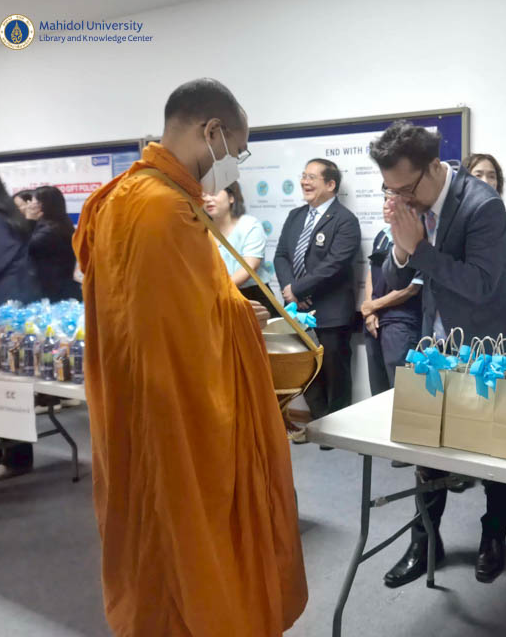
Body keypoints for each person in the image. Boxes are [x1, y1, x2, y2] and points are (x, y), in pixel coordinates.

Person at [71, 78, 307, 636]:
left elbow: (166, 311)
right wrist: (241, 318)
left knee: (155, 532)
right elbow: (177, 339)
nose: (234, 165)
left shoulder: (129, 195)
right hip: (170, 415)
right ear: (212, 131)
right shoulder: (159, 208)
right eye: (237, 150)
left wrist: (227, 308)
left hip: (140, 405)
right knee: (186, 542)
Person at [374, 121, 506, 587]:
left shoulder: (484, 205)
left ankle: (493, 536)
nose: (400, 198)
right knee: (428, 447)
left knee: (495, 454)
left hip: (491, 348)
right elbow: (395, 277)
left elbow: (481, 284)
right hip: (437, 346)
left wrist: (418, 248)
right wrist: (402, 248)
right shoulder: (409, 199)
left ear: (432, 168)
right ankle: (424, 542)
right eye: (390, 190)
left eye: (405, 189)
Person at [273, 158, 361, 428]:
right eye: (303, 176)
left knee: (335, 373)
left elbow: (334, 264)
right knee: (304, 370)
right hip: (298, 312)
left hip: (331, 312)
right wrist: (291, 291)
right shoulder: (295, 216)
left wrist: (298, 289)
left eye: (311, 177)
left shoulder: (345, 220)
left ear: (331, 184)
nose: (304, 182)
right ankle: (319, 424)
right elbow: (281, 256)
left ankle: (338, 428)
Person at [0, 162, 39, 481]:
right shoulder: (5, 217)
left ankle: (12, 457)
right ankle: (11, 456)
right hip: (9, 316)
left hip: (0, 320)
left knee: (6, 392)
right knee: (7, 390)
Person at [362, 198, 422, 396]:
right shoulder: (382, 235)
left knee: (401, 395)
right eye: (385, 199)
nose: (386, 205)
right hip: (374, 322)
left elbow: (412, 287)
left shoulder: (419, 237)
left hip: (400, 323)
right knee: (377, 392)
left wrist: (373, 306)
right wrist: (370, 310)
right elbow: (371, 273)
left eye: (394, 201)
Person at [203, 181, 275, 314]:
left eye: (213, 193)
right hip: (217, 298)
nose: (207, 199)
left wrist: (217, 291)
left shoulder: (249, 225)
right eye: (204, 194)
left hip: (252, 296)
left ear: (231, 197)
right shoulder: (201, 231)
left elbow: (249, 267)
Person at [463, 153, 506, 291]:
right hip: (463, 298)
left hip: (501, 299)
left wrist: (497, 295)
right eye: (478, 175)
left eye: (492, 176)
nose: (485, 181)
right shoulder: (457, 220)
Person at [24, 186, 82, 302]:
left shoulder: (50, 230)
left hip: (52, 290)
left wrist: (29, 220)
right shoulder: (61, 224)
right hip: (59, 286)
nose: (29, 206)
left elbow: (26, 248)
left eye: (33, 202)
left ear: (42, 204)